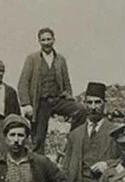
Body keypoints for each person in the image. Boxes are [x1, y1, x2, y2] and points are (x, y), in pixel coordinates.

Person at [16, 27, 86, 155]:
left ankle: (72, 141)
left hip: (57, 99)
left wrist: (69, 97)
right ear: (39, 41)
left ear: (54, 40)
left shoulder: (60, 59)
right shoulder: (32, 59)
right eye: (43, 40)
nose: (46, 43)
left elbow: (66, 82)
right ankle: (38, 166)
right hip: (40, 102)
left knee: (80, 110)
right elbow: (23, 83)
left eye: (49, 39)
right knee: (38, 139)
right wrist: (26, 104)